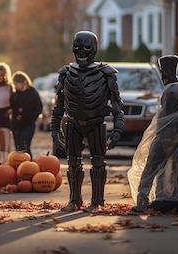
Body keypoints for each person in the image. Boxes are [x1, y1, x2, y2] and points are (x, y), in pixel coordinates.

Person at [51, 31, 124, 212]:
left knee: (98, 163)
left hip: (96, 123)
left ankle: (97, 201)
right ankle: (74, 200)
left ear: (94, 49)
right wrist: (55, 128)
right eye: (77, 47)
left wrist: (117, 130)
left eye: (86, 48)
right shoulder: (66, 73)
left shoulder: (106, 73)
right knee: (73, 162)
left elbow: (116, 105)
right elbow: (58, 105)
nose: (81, 52)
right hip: (73, 122)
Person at [128, 55, 178, 214]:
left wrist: (163, 137)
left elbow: (165, 116)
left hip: (167, 136)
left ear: (165, 73)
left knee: (150, 169)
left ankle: (142, 201)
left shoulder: (171, 90)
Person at [10, 71, 43, 158]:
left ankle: (29, 164)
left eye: (17, 83)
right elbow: (12, 106)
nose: (16, 86)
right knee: (18, 146)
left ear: (23, 82)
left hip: (28, 123)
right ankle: (20, 165)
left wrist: (32, 117)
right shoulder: (15, 94)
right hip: (17, 124)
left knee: (25, 144)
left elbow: (38, 107)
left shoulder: (32, 93)